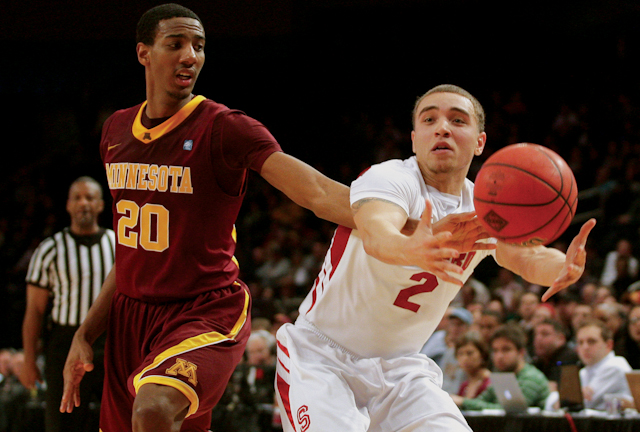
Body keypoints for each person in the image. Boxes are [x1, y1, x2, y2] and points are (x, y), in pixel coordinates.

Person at [60, 4, 355, 432]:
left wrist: (407, 216)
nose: (190, 56)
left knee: (154, 410)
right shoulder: (116, 132)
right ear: (143, 52)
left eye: (198, 46)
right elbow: (130, 255)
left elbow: (318, 192)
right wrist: (85, 333)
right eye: (175, 44)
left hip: (205, 309)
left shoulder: (224, 127)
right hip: (131, 319)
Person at [274, 84, 595, 431]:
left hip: (399, 370)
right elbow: (377, 233)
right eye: (429, 119)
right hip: (323, 357)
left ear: (479, 142)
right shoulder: (391, 178)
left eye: (457, 120)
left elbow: (526, 256)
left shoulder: (485, 207)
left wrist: (563, 267)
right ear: (414, 139)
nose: (442, 127)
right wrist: (411, 248)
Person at [20, 176, 114, 432]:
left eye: (90, 198)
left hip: (110, 343)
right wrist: (29, 360)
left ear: (101, 205)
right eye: (78, 198)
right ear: (68, 205)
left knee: (117, 420)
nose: (83, 203)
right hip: (63, 343)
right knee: (62, 421)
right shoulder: (50, 249)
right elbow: (35, 311)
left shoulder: (118, 245)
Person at [452, 323, 550, 411]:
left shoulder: (531, 377)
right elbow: (480, 401)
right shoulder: (502, 377)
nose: (499, 356)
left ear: (521, 353)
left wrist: (463, 402)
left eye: (506, 349)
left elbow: (511, 410)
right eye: (495, 350)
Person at [575, 320, 633, 410]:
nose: (585, 347)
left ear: (608, 345)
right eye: (580, 342)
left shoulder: (615, 365)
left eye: (591, 341)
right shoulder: (583, 372)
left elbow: (585, 403)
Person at [531, 318, 579, 389]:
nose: (538, 338)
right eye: (536, 334)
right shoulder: (540, 361)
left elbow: (556, 386)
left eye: (545, 334)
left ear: (561, 338)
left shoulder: (568, 358)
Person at [453, 332, 491, 400]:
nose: (465, 359)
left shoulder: (489, 383)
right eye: (460, 354)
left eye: (470, 353)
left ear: (482, 355)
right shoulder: (464, 386)